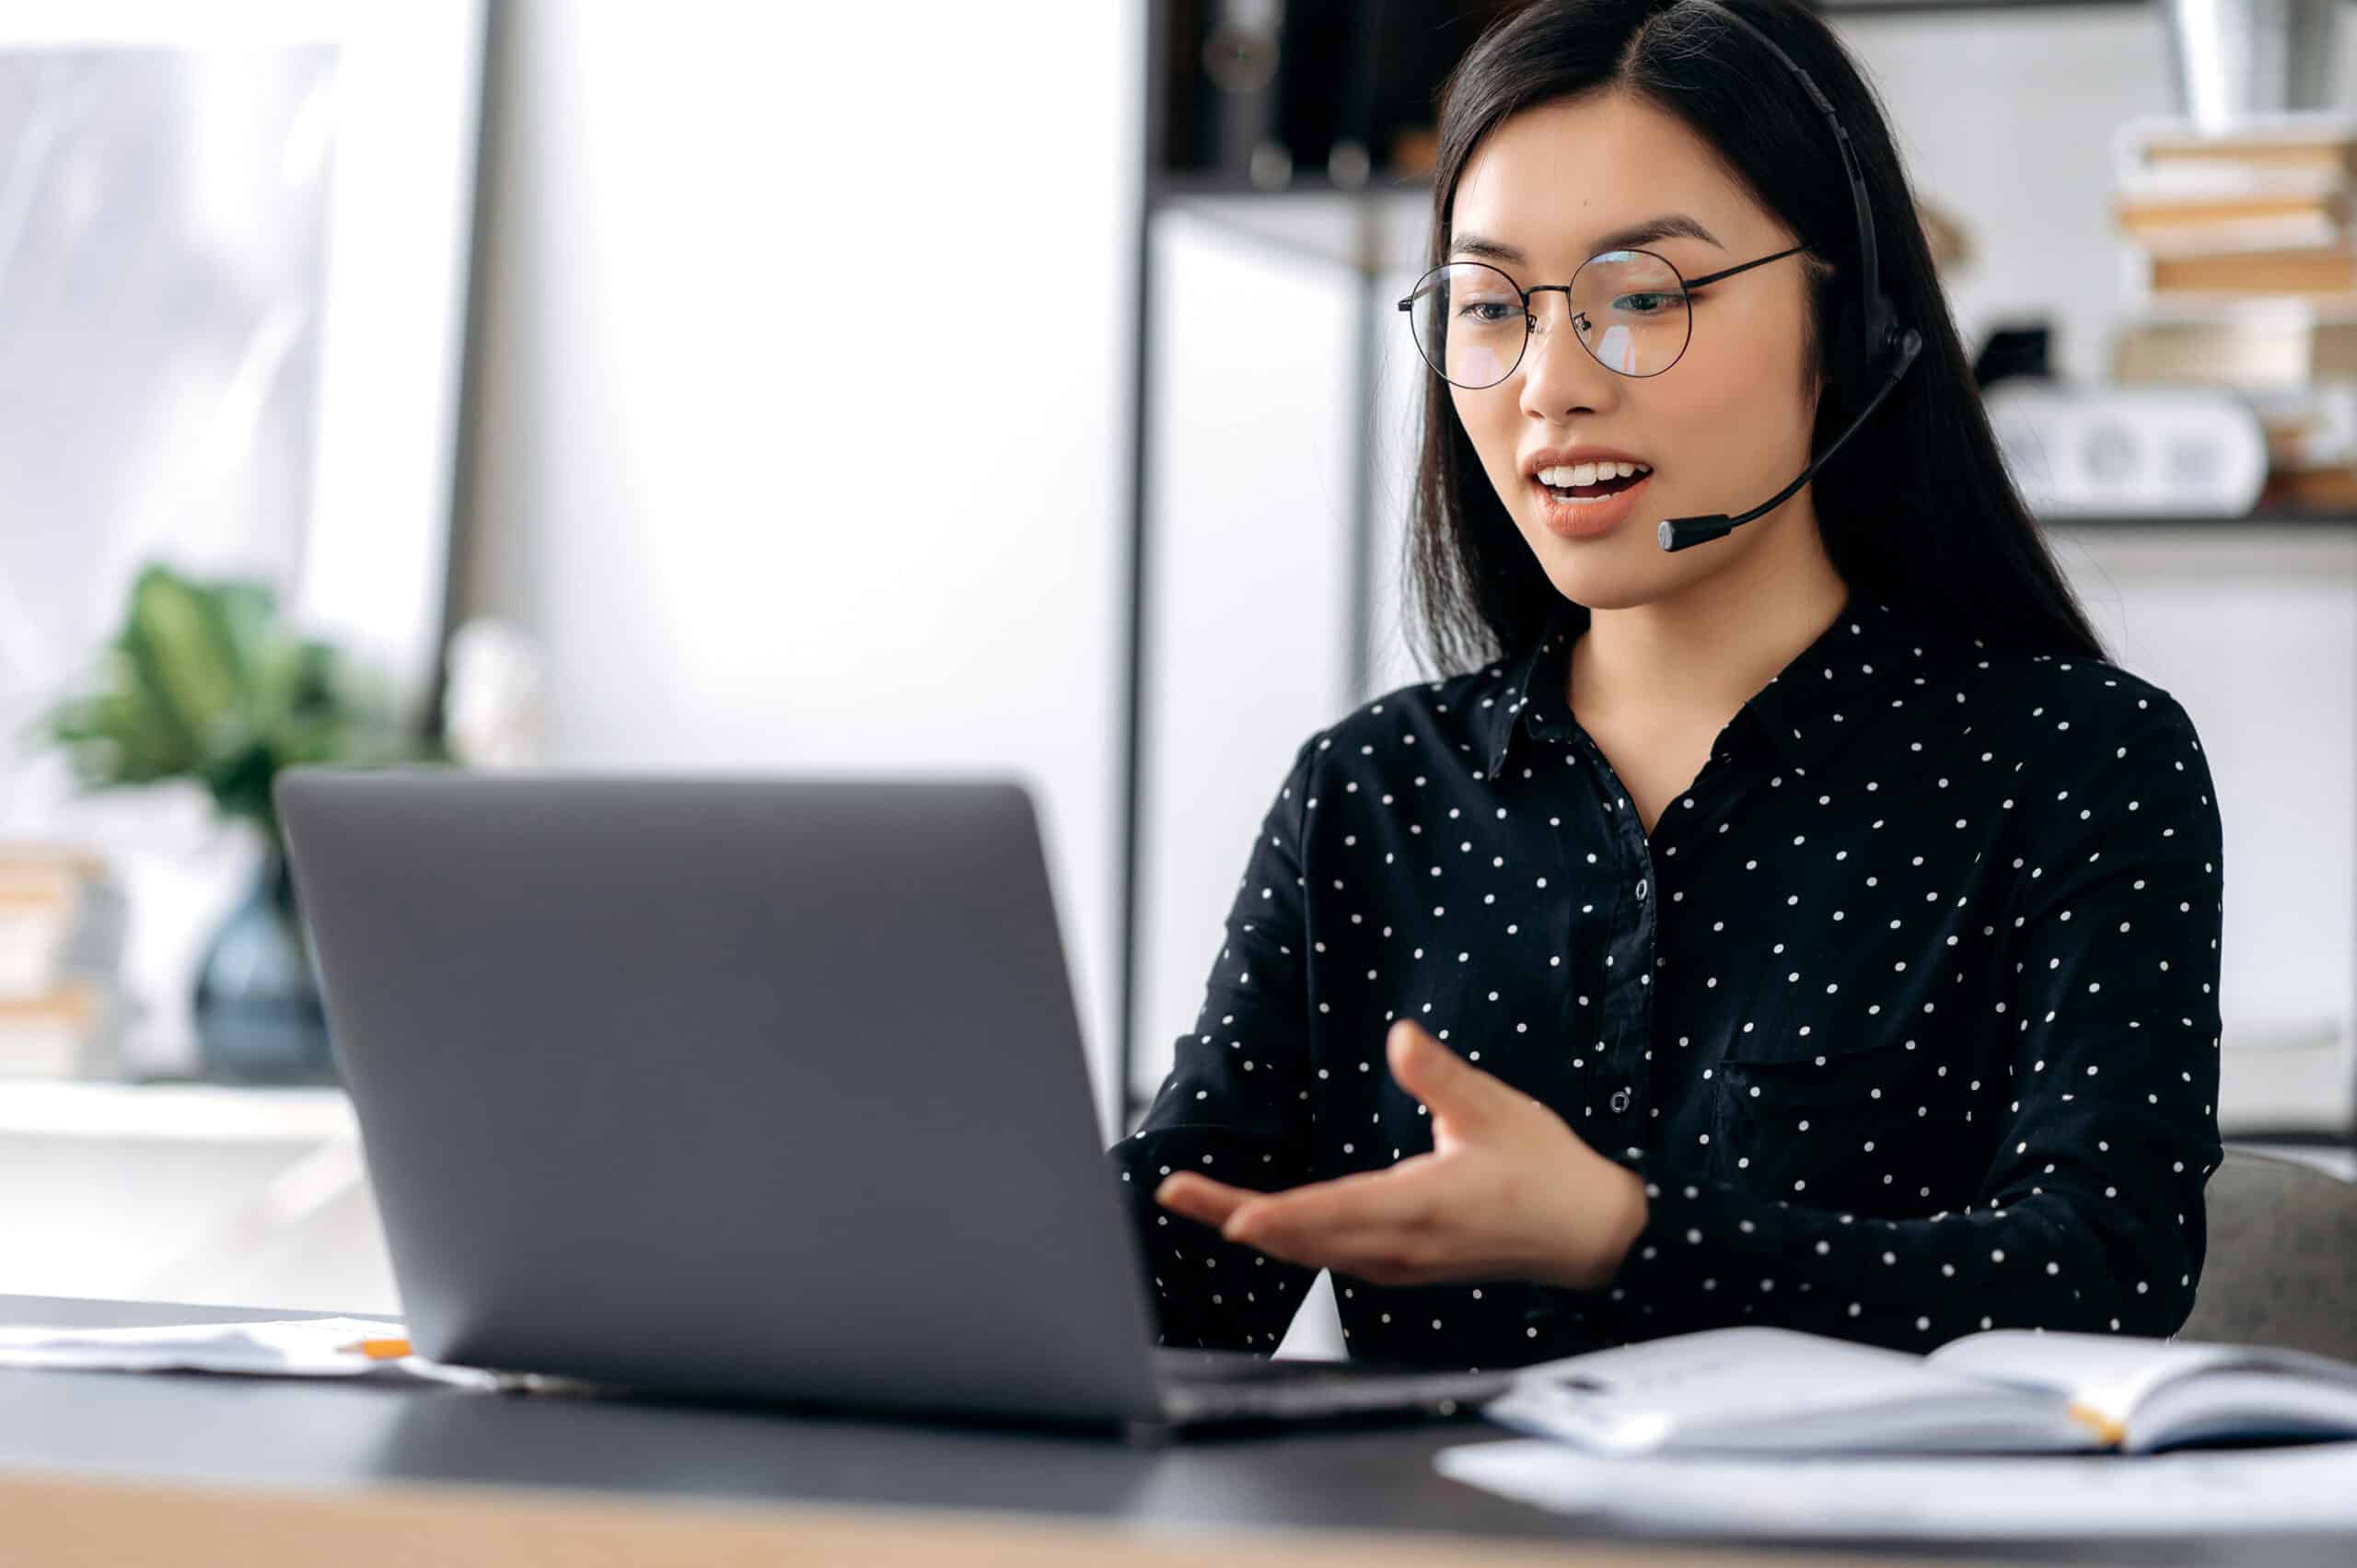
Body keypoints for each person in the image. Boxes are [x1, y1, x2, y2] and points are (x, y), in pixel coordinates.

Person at [1104, 0, 2226, 1373]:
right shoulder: (1373, 790)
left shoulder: (2076, 758)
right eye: (1491, 308)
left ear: (1847, 318)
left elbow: (2106, 1268)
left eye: (1645, 297)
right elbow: (1189, 1272)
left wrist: (1627, 1234)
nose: (1550, 386)